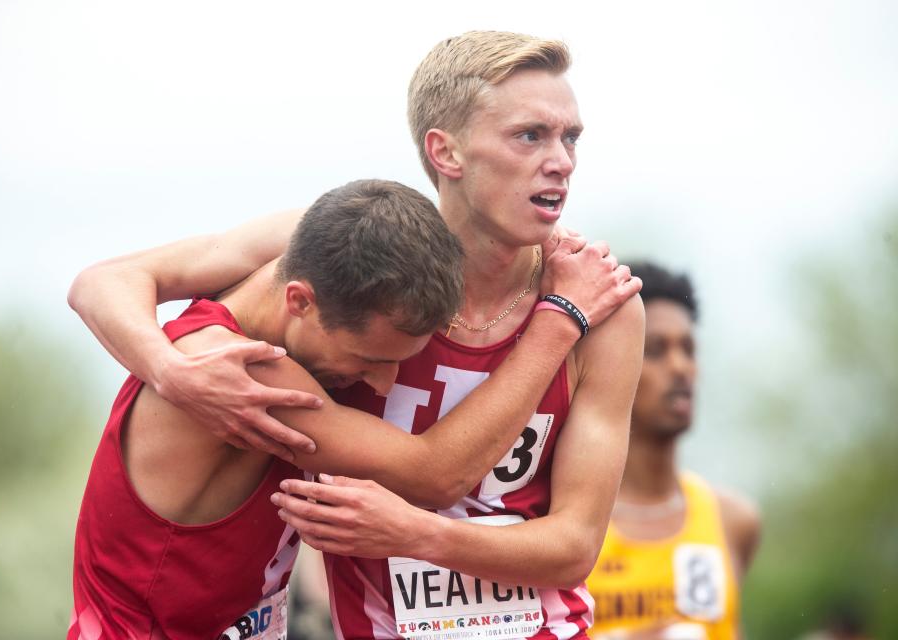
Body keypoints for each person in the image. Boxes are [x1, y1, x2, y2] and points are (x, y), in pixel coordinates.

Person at [68, 31, 645, 639]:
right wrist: (170, 370)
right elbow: (105, 279)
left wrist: (422, 534)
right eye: (530, 135)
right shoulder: (317, 263)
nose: (562, 159)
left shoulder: (601, 306)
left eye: (570, 137)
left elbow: (577, 546)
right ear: (446, 152)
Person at [583, 262, 761, 640]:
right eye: (656, 350)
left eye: (689, 349)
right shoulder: (568, 522)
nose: (681, 367)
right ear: (609, 364)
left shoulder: (733, 520)